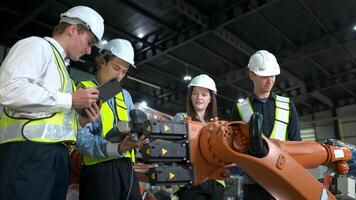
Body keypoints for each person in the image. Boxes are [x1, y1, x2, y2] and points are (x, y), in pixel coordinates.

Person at [0, 6, 104, 200]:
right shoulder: (36, 46)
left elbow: (52, 119)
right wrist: (71, 99)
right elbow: (9, 90)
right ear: (73, 29)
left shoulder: (64, 73)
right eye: (89, 42)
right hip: (28, 153)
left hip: (56, 158)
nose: (89, 50)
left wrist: (82, 121)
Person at [76, 38, 147, 200]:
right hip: (99, 171)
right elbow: (80, 139)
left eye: (124, 72)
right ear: (102, 62)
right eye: (116, 68)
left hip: (127, 169)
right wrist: (115, 148)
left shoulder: (125, 95)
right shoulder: (84, 89)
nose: (119, 76)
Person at [230, 50, 302, 200]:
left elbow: (296, 143)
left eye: (273, 76)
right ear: (252, 75)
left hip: (284, 179)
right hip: (253, 182)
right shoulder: (239, 109)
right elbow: (233, 146)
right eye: (264, 76)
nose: (270, 80)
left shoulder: (287, 105)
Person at [173, 74, 225, 200]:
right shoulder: (180, 119)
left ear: (211, 98)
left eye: (204, 94)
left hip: (216, 182)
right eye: (195, 93)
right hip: (189, 182)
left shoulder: (217, 125)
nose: (199, 98)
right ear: (190, 96)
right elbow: (173, 150)